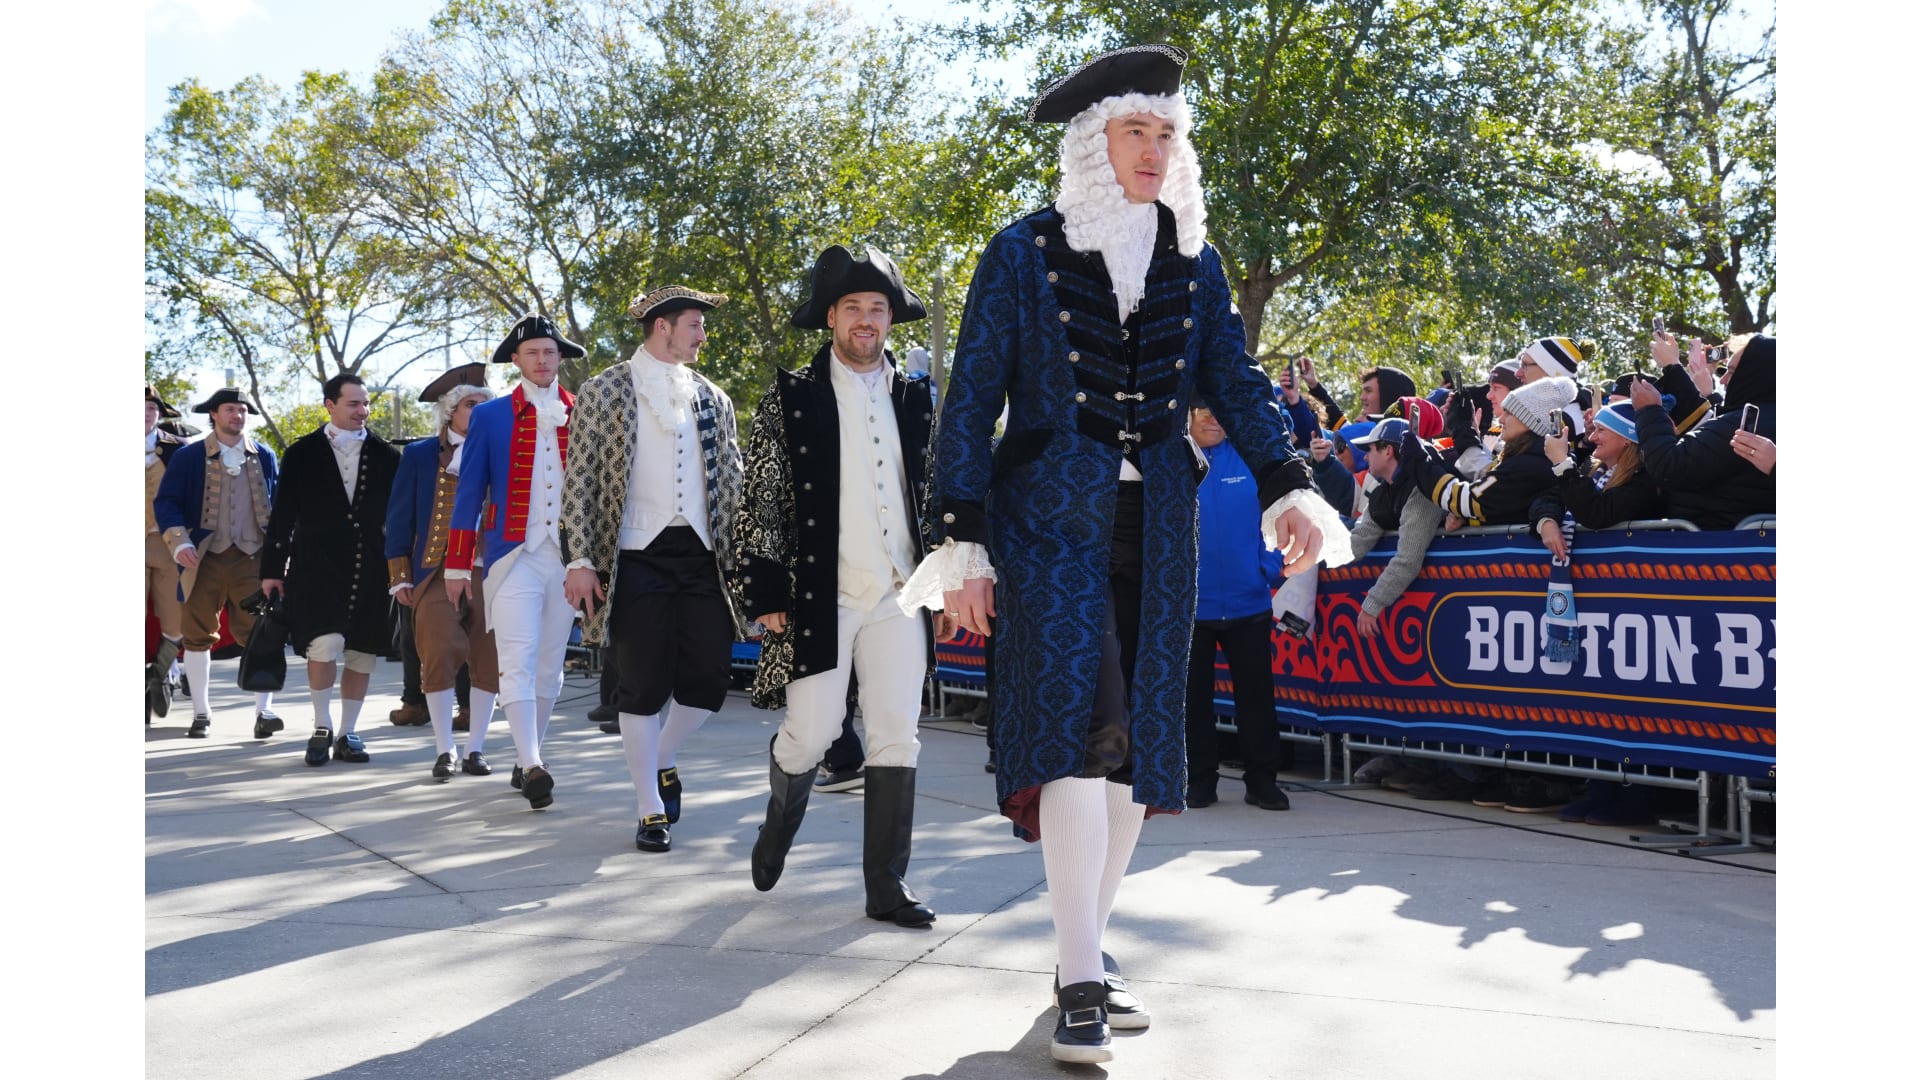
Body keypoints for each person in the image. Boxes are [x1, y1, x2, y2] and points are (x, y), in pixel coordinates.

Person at [907, 45, 1349, 1064]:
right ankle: (1078, 980)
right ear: (1092, 144)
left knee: (1137, 744)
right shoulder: (1021, 251)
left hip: (1162, 523)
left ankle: (1088, 951)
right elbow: (970, 401)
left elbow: (1236, 382)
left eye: (1167, 134)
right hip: (1045, 523)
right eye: (1135, 131)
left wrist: (1289, 483)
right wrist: (960, 539)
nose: (1154, 150)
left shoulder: (1196, 259)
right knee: (1076, 726)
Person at [735, 245, 944, 927]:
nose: (865, 319)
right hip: (818, 596)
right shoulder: (791, 396)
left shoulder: (918, 399)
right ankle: (778, 822)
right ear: (830, 317)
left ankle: (886, 885)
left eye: (877, 308)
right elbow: (761, 495)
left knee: (896, 734)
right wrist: (765, 590)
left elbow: (940, 493)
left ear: (890, 318)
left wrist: (947, 581)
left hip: (900, 594)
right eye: (852, 307)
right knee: (813, 732)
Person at [562, 285, 744, 852]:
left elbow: (733, 480)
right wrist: (579, 559)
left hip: (702, 554)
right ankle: (650, 809)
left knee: (710, 678)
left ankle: (662, 756)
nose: (703, 335)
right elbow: (580, 479)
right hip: (634, 553)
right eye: (695, 324)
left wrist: (747, 562)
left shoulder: (713, 396)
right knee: (639, 685)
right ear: (663, 326)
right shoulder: (604, 389)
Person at [446, 314, 581, 809]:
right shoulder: (490, 415)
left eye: (549, 352)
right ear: (517, 361)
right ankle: (532, 763)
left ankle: (528, 758)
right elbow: (469, 493)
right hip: (511, 555)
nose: (542, 360)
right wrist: (457, 565)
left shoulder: (583, 410)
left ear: (560, 357)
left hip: (568, 559)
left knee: (549, 666)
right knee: (517, 659)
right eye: (532, 353)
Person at [260, 374, 401, 766]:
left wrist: (401, 570)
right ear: (330, 405)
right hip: (315, 567)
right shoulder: (301, 453)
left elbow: (400, 517)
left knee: (362, 652)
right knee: (323, 645)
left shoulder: (387, 456)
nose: (363, 411)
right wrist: (272, 570)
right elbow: (282, 515)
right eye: (354, 403)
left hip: (370, 567)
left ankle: (347, 732)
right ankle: (322, 725)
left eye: (366, 403)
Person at [386, 363, 502, 780]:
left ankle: (476, 748)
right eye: (471, 404)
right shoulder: (420, 454)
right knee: (437, 652)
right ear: (451, 411)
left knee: (488, 657)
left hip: (491, 569)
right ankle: (444, 748)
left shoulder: (503, 450)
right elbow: (399, 515)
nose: (479, 411)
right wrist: (400, 574)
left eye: (484, 405)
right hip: (435, 570)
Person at [153, 387, 282, 738]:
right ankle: (201, 713)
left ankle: (264, 712)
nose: (237, 416)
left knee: (260, 633)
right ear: (214, 414)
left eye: (242, 410)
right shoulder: (189, 456)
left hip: (253, 557)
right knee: (196, 636)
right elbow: (167, 502)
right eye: (230, 410)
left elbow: (279, 507)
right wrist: (180, 542)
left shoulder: (265, 455)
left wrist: (279, 556)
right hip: (203, 557)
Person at [1184, 403, 1292, 812]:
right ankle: (1199, 781)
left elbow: (1279, 512)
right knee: (1193, 702)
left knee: (1257, 700)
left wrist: (1267, 568)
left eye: (1219, 410)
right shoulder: (1172, 459)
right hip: (1192, 608)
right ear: (1187, 414)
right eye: (1203, 410)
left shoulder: (1250, 456)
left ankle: (1262, 782)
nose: (1213, 418)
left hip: (1249, 604)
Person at [1634, 334, 1776, 529]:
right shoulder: (1752, 419)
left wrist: (1649, 411)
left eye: (1731, 372)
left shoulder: (1739, 426)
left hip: (1713, 541)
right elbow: (1709, 427)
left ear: (1754, 375)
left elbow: (1668, 467)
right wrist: (1674, 369)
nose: (1723, 380)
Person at [1401, 376, 1578, 528]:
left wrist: (1419, 457)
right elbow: (1485, 481)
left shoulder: (1528, 465)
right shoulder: (1530, 458)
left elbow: (1464, 498)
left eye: (1509, 413)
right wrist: (1463, 429)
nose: (1500, 419)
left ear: (1529, 422)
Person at [1344, 418, 1447, 640]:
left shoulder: (1422, 491)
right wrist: (1314, 550)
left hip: (1439, 618)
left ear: (1388, 451)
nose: (1365, 457)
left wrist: (1372, 604)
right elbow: (1356, 544)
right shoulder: (1382, 493)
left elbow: (1408, 559)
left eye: (1370, 449)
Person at [146, 385, 193, 718]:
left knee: (177, 622)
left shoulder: (178, 449)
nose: (145, 413)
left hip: (167, 544)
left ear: (160, 414)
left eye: (152, 408)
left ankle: (159, 673)